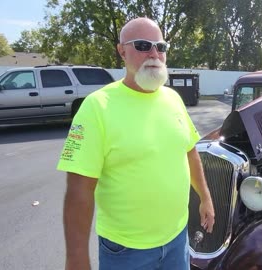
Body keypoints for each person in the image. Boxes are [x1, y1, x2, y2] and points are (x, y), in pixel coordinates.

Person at [57, 17, 215, 270]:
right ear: (122, 51)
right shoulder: (97, 107)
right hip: (127, 251)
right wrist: (76, 259)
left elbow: (190, 152)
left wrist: (205, 198)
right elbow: (78, 190)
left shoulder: (173, 99)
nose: (154, 53)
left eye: (160, 47)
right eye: (142, 45)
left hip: (177, 239)